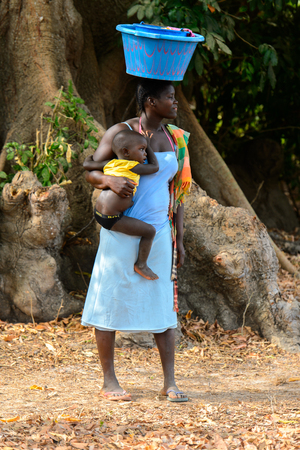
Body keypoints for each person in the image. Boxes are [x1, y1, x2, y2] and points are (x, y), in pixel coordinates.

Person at [82, 78, 191, 402]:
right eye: (169, 97)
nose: (175, 103)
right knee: (110, 301)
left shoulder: (177, 140)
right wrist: (109, 181)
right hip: (120, 231)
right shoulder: (121, 133)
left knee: (162, 307)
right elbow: (90, 170)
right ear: (150, 102)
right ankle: (109, 381)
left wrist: (180, 239)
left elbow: (180, 193)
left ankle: (169, 382)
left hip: (158, 233)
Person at [83, 129, 160, 280]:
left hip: (98, 212)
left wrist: (90, 156)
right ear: (126, 152)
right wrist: (149, 145)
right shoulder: (132, 166)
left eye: (145, 150)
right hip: (112, 218)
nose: (144, 153)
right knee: (150, 231)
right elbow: (154, 167)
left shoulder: (110, 163)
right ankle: (141, 264)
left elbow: (88, 164)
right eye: (141, 149)